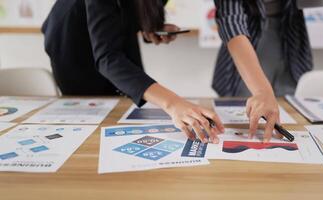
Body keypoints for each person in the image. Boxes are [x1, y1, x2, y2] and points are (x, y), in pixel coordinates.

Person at [42, 0, 224, 143]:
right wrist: (173, 103)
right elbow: (108, 59)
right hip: (72, 38)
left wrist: (148, 27)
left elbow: (131, 7)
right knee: (91, 118)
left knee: (128, 103)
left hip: (113, 31)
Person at [212, 0, 323, 142]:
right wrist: (262, 91)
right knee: (247, 109)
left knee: (289, 111)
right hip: (245, 48)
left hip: (291, 41)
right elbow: (230, 22)